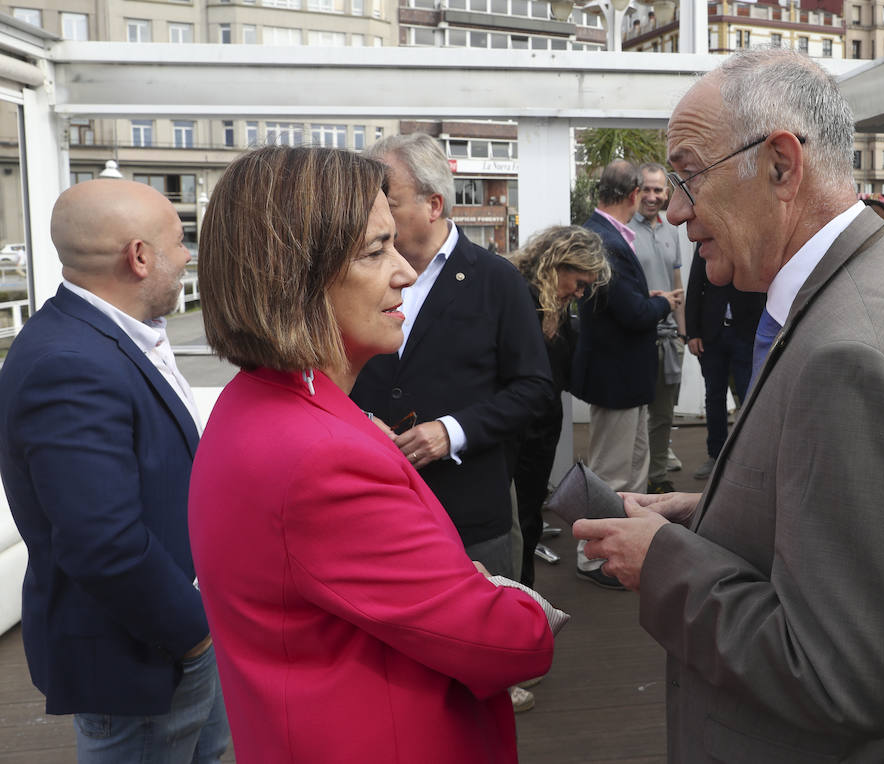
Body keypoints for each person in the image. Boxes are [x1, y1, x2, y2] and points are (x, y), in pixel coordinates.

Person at [576, 49, 884, 761]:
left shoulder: (848, 351)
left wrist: (665, 566)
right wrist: (707, 514)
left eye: (688, 176)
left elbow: (840, 676)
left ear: (780, 165)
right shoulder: (875, 288)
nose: (676, 211)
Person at [189, 146, 555, 762]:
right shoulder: (320, 456)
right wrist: (527, 604)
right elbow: (513, 643)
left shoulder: (257, 404)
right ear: (294, 274)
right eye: (373, 250)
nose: (405, 273)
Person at [0, 179, 229, 763]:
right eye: (180, 243)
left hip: (173, 638)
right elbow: (103, 543)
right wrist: (197, 636)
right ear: (139, 256)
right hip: (147, 656)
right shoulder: (71, 364)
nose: (187, 258)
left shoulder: (110, 337)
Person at [350, 134, 555, 580]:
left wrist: (452, 431)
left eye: (389, 199)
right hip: (373, 510)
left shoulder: (497, 281)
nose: (375, 212)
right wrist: (359, 420)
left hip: (469, 512)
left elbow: (535, 389)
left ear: (434, 205)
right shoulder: (349, 276)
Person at [572, 159, 681, 589]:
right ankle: (589, 556)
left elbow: (620, 301)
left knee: (632, 471)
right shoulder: (607, 240)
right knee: (610, 473)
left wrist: (644, 298)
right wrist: (663, 303)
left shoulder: (601, 233)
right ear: (635, 194)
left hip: (623, 376)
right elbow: (633, 313)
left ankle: (618, 549)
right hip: (617, 376)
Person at [508, 225, 610, 586]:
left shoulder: (556, 304)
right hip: (514, 433)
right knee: (516, 524)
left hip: (541, 431)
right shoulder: (519, 296)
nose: (580, 292)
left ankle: (525, 597)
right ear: (558, 265)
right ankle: (517, 600)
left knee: (529, 519)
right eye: (579, 282)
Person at [682, 243, 765, 481]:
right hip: (712, 335)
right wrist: (692, 332)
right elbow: (695, 284)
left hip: (746, 333)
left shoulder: (751, 234)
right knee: (714, 396)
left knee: (749, 395)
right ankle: (715, 455)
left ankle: (748, 457)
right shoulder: (706, 238)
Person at [630, 163, 687, 494]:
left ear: (667, 194)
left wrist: (683, 332)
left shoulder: (672, 233)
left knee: (663, 416)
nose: (652, 196)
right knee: (636, 418)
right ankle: (635, 482)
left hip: (668, 340)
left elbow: (677, 282)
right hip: (637, 337)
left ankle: (658, 476)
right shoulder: (625, 230)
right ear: (636, 191)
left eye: (658, 190)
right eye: (647, 189)